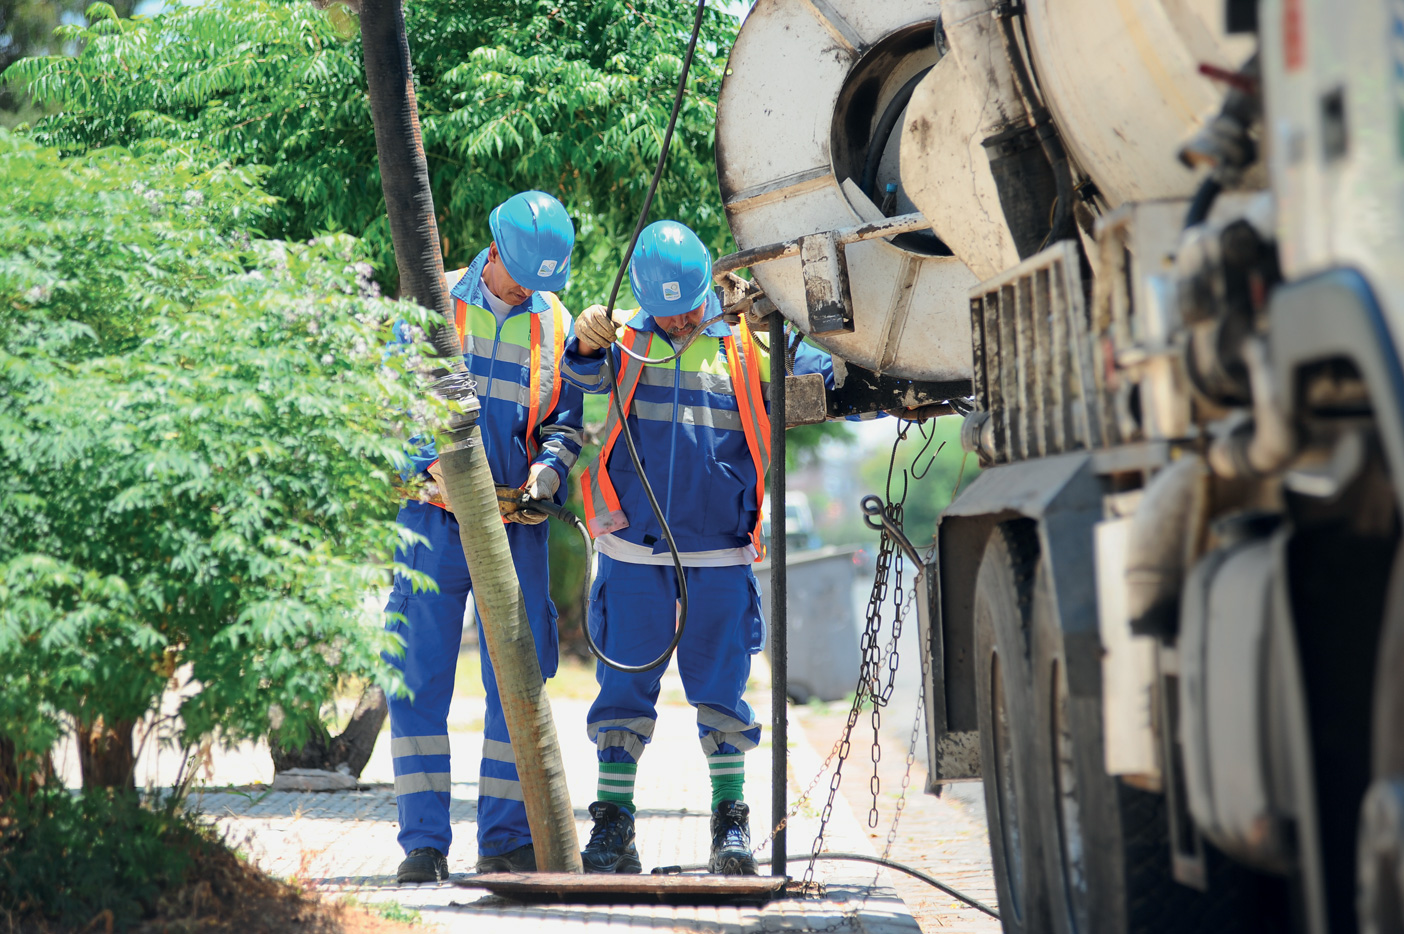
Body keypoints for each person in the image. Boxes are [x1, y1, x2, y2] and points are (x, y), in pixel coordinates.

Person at [560, 220, 840, 876]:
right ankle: (613, 828)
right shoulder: (626, 337)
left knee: (723, 697)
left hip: (719, 554)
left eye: (688, 306)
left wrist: (800, 319)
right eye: (667, 311)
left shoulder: (748, 340)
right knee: (622, 694)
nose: (680, 321)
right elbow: (582, 379)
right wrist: (581, 336)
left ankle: (731, 827)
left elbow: (824, 374)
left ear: (706, 288)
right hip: (636, 554)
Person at [384, 190, 584, 883]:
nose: (531, 289)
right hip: (433, 522)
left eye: (541, 281)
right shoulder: (435, 304)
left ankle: (503, 840)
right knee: (416, 677)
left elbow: (565, 419)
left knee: (518, 684)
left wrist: (549, 473)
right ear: (493, 252)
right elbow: (395, 395)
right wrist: (433, 467)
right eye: (522, 276)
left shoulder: (553, 320)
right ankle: (423, 846)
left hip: (517, 530)